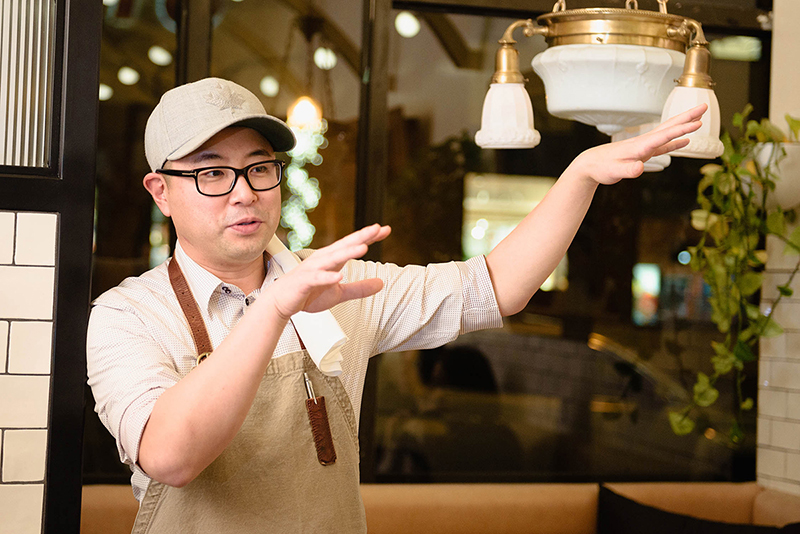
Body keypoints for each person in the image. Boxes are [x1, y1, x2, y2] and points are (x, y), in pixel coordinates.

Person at [86, 77, 705, 533]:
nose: (243, 193)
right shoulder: (127, 316)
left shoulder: (339, 287)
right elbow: (171, 456)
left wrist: (581, 176)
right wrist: (274, 309)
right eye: (212, 173)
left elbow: (496, 286)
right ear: (160, 192)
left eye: (259, 168)